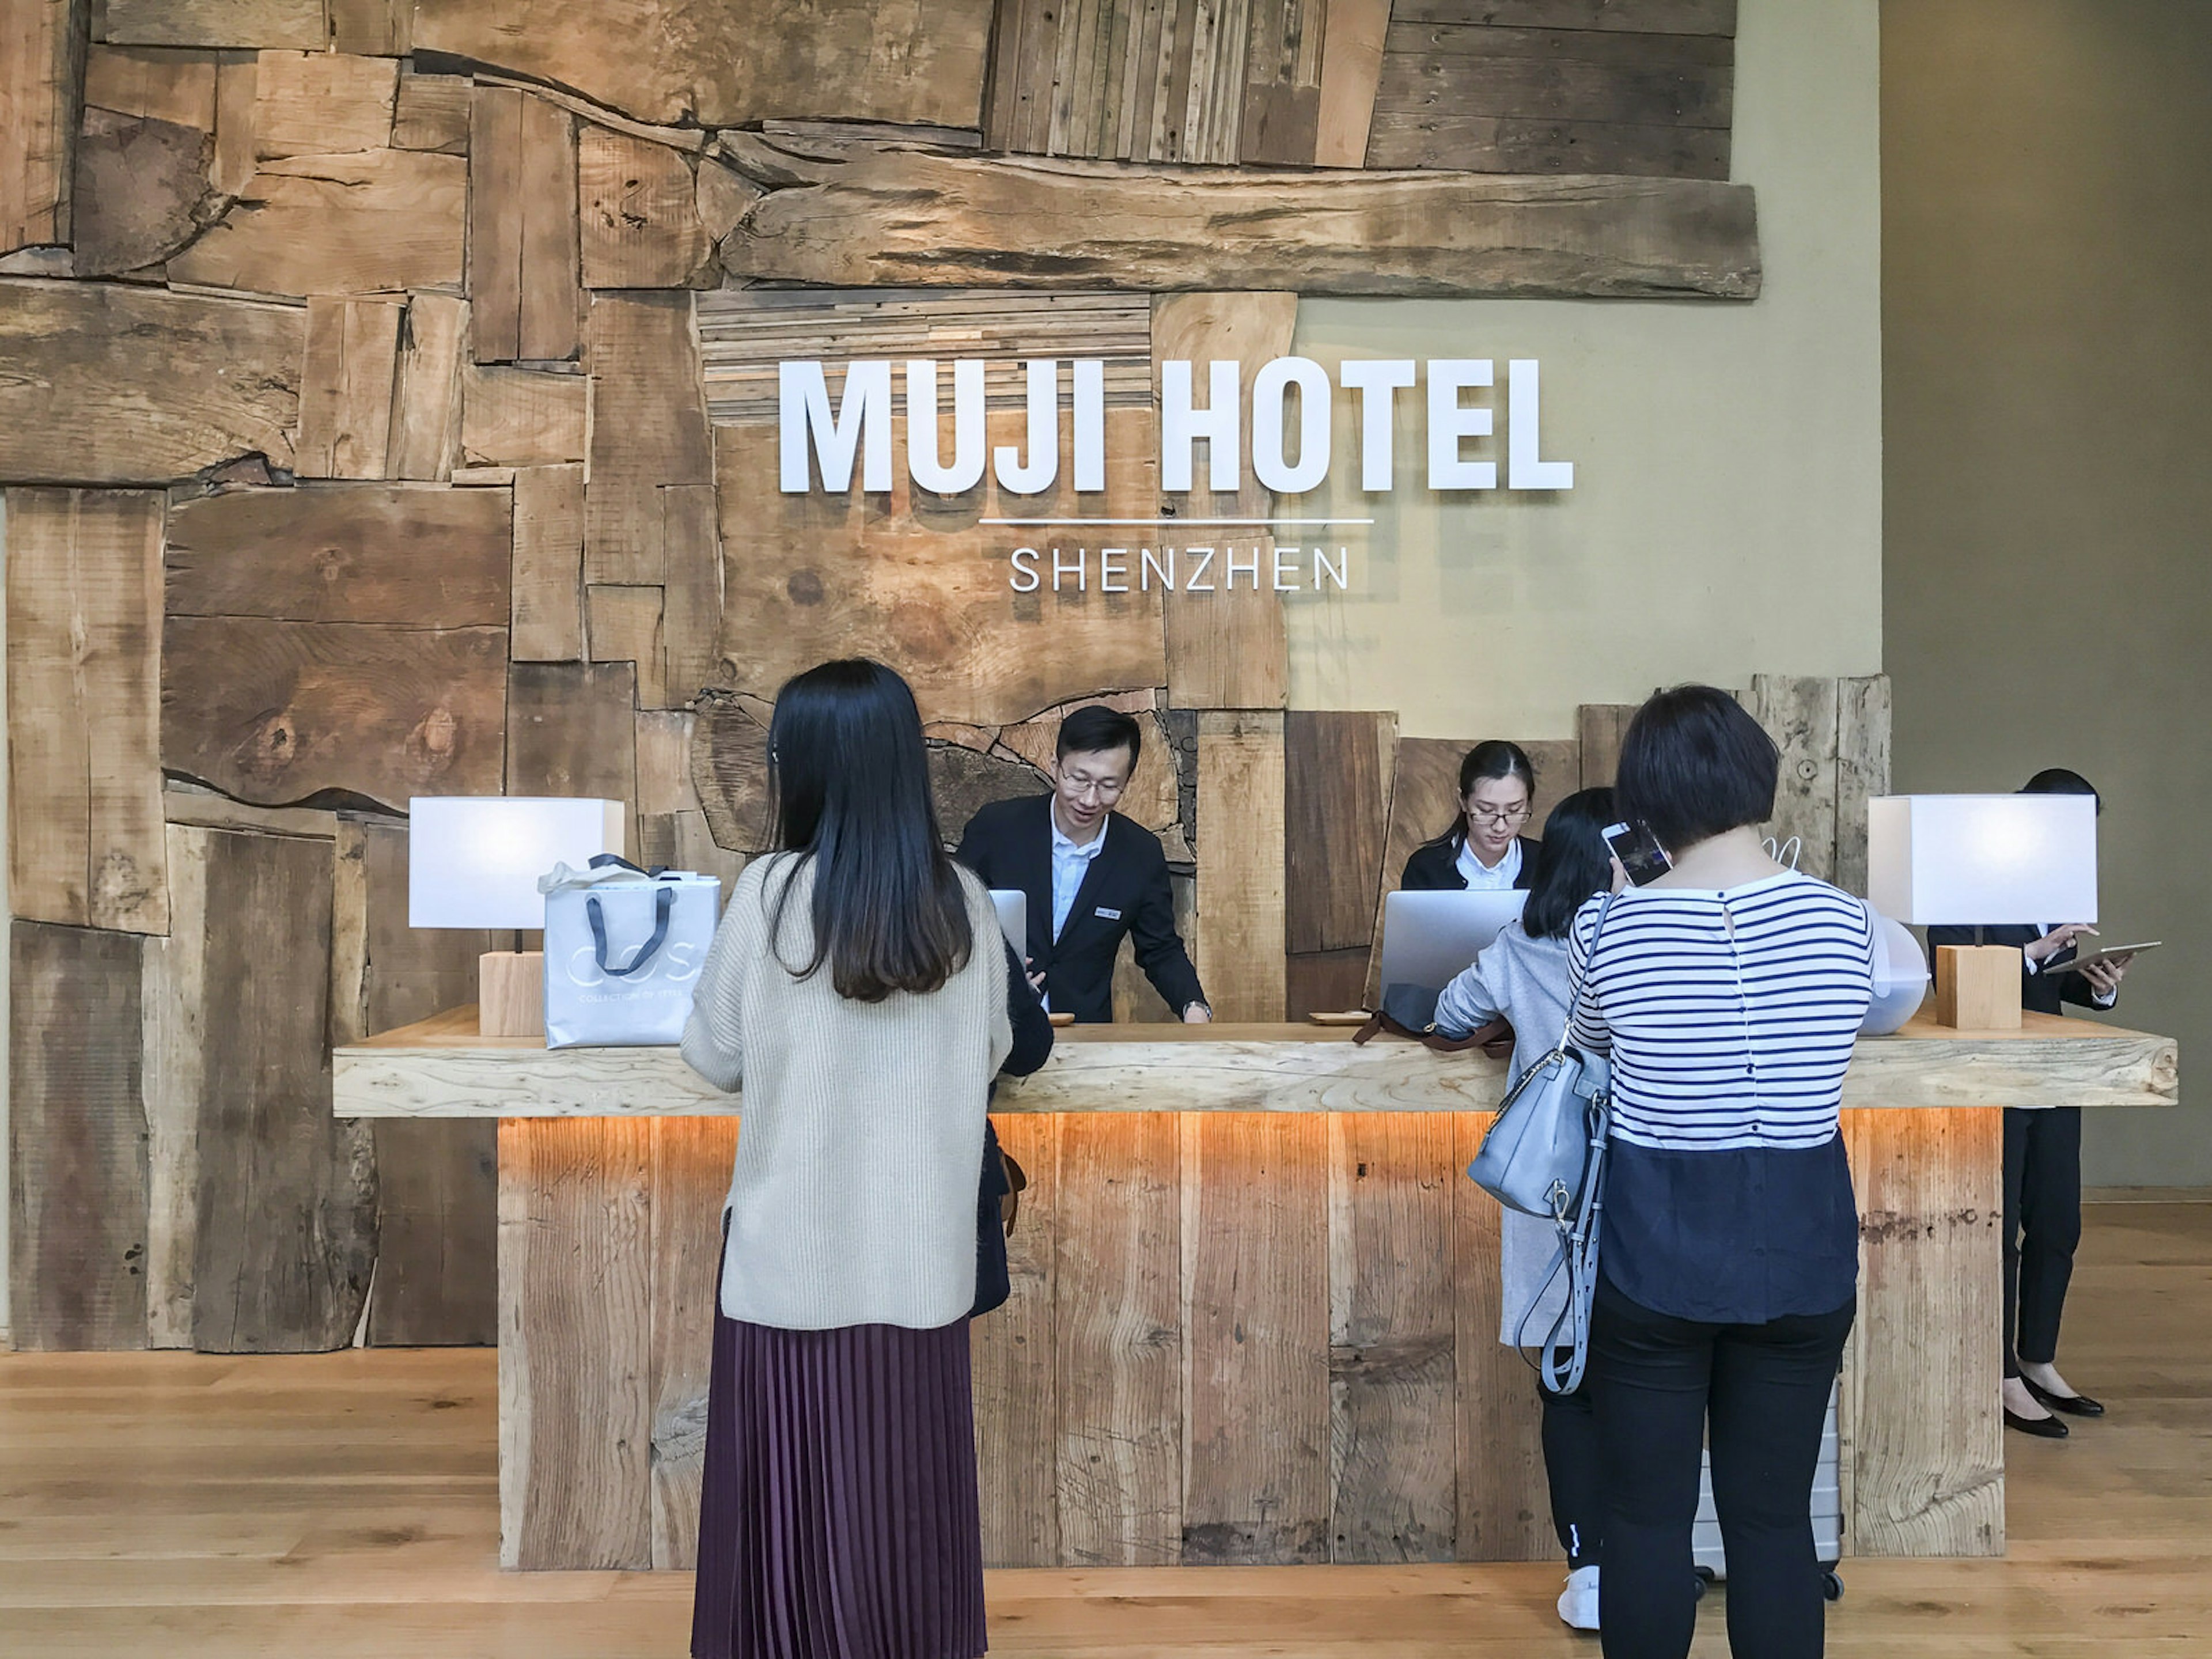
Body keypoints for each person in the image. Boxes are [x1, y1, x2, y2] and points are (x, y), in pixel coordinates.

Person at [681, 658, 1016, 1659]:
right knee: (906, 1509)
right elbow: (994, 1053)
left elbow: (712, 1057)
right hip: (921, 1273)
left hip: (788, 1268)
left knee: (787, 1513)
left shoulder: (771, 893)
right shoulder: (963, 903)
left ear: (808, 769)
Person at [1568, 686, 1874, 1659]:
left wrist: (1628, 905)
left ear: (1644, 800)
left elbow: (1588, 1050)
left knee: (1647, 1523)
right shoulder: (1850, 926)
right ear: (1757, 777)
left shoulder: (1608, 932)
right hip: (1804, 1251)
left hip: (1656, 1254)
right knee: (1777, 1524)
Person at [1434, 786, 1621, 1633]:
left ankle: (1588, 1573)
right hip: (1641, 1177)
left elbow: (1448, 1014)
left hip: (1551, 1184)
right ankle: (1663, 1552)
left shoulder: (1524, 942)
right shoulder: (1650, 940)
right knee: (1651, 1378)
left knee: (1567, 1381)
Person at [1929, 767, 2128, 1440]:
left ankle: (2038, 1358)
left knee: (2057, 1222)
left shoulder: (2060, 890)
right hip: (1990, 1076)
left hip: (2052, 1073)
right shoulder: (1968, 880)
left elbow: (2046, 991)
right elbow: (1949, 973)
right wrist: (2036, 952)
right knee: (1997, 1224)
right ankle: (1997, 1371)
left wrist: (2097, 986)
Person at [956, 703, 1210, 1024]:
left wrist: (1193, 1006)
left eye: (1108, 785)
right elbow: (950, 917)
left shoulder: (1140, 854)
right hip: (992, 1022)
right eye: (1079, 779)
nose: (1090, 800)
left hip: (1084, 1028)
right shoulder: (997, 828)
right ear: (1055, 766)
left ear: (1127, 782)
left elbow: (1160, 949)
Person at [1401, 740, 1541, 891]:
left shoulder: (1546, 863)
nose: (1500, 827)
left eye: (1514, 810)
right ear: (1463, 801)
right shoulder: (1426, 868)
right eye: (1486, 810)